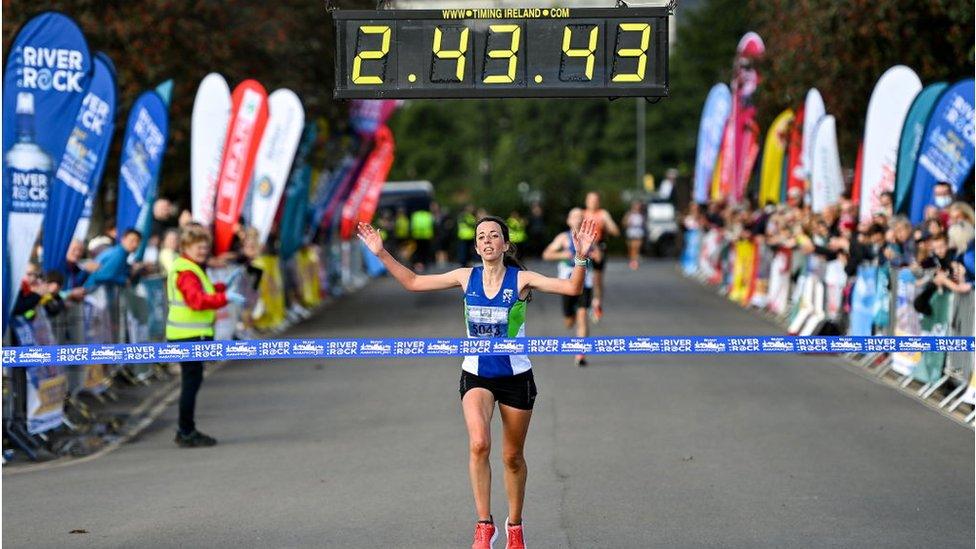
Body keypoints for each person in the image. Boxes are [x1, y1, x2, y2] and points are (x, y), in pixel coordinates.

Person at [357, 215, 596, 549]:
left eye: (494, 235)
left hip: (516, 377)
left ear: (505, 244)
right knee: (479, 443)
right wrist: (381, 253)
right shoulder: (464, 277)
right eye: (481, 236)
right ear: (476, 245)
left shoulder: (521, 279)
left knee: (512, 457)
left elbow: (571, 287)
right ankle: (484, 525)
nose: (487, 241)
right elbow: (413, 282)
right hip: (476, 375)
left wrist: (581, 256)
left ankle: (515, 527)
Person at [167, 223, 245, 448]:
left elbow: (204, 291)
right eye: (198, 247)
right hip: (188, 337)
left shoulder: (192, 267)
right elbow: (197, 301)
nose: (203, 251)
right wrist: (225, 298)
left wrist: (221, 288)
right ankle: (186, 431)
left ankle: (186, 429)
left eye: (205, 247)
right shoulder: (187, 271)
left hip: (191, 336)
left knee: (193, 382)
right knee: (190, 384)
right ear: (186, 247)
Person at [542, 208, 595, 366]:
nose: (577, 219)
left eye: (580, 216)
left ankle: (580, 353)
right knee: (569, 321)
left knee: (583, 315)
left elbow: (599, 257)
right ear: (568, 220)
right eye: (574, 216)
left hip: (585, 283)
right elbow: (546, 254)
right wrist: (562, 255)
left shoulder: (590, 237)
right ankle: (569, 317)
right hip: (566, 283)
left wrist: (595, 255)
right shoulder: (563, 238)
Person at [582, 191, 619, 321]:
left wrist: (608, 225)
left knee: (597, 279)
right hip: (584, 248)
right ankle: (583, 304)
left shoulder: (603, 214)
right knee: (583, 276)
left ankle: (596, 303)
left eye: (595, 200)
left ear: (599, 202)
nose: (593, 202)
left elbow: (615, 230)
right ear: (586, 201)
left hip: (599, 248)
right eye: (590, 200)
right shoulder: (582, 214)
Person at [82, 229, 143, 293]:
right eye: (132, 241)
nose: (135, 245)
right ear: (123, 239)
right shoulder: (119, 254)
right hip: (93, 293)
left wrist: (130, 269)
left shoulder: (120, 253)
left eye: (137, 242)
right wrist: (124, 280)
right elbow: (101, 275)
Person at [622, 200, 645, 270]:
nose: (637, 207)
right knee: (632, 248)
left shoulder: (641, 214)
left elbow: (643, 224)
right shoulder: (629, 214)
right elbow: (624, 223)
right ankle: (632, 260)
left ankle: (635, 261)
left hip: (639, 233)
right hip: (631, 233)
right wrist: (628, 223)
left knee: (637, 247)